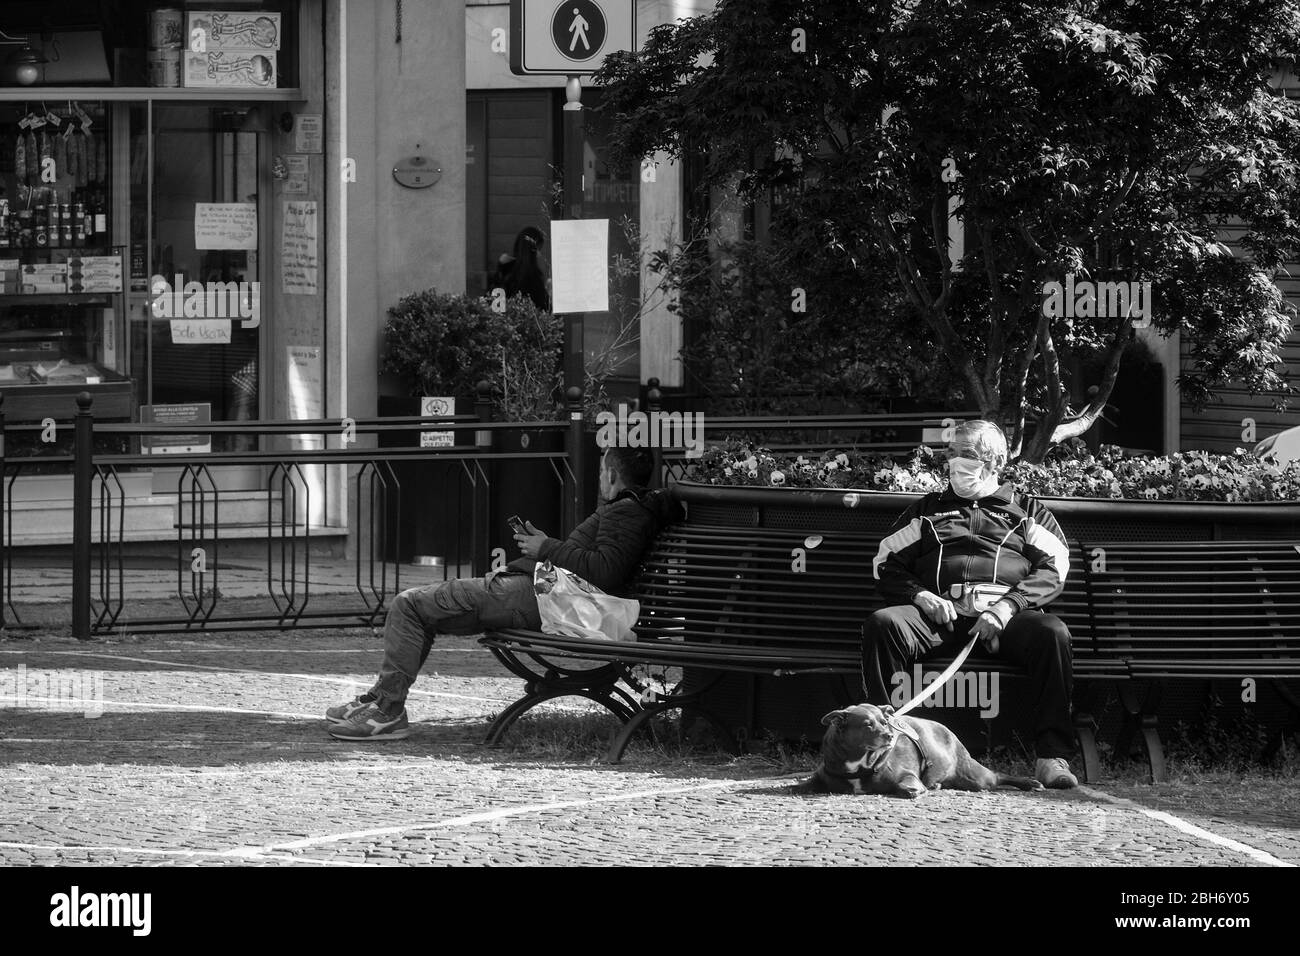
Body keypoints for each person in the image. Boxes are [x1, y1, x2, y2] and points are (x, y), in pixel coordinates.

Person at [326, 446, 671, 740]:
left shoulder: (626, 510)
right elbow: (593, 564)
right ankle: (381, 699)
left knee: (409, 605)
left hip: (542, 599)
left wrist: (545, 547)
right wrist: (545, 546)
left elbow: (604, 570)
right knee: (421, 608)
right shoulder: (633, 509)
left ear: (611, 475)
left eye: (600, 472)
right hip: (544, 594)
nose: (599, 480)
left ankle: (386, 711)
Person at [861, 419, 1079, 788]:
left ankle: (1051, 757)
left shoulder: (1026, 511)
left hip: (1004, 619)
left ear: (994, 461)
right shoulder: (928, 510)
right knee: (884, 624)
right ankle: (887, 751)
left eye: (968, 454)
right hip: (939, 617)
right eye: (952, 453)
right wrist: (920, 596)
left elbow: (1055, 567)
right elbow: (885, 563)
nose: (955, 461)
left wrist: (1009, 606)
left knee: (1053, 634)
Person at [487, 225, 549, 311]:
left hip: (505, 322)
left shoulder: (506, 270)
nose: (539, 255)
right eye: (538, 250)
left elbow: (496, 308)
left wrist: (500, 270)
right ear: (531, 250)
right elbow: (543, 309)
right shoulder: (532, 277)